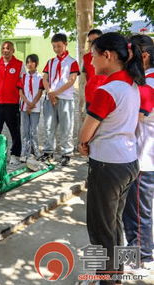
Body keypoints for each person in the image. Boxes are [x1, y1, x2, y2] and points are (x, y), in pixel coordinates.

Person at [78, 32, 145, 282]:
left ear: (107, 56)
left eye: (94, 56)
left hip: (107, 165)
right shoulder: (132, 84)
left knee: (100, 227)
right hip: (127, 162)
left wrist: (84, 142)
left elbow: (85, 132)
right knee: (114, 222)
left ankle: (107, 278)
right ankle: (116, 275)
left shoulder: (107, 90)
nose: (91, 61)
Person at [122, 40, 154, 270]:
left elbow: (132, 120)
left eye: (128, 53)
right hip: (144, 154)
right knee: (136, 210)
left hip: (143, 157)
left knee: (138, 211)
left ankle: (143, 256)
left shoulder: (147, 86)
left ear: (143, 56)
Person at [40, 33, 80, 166]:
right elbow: (45, 78)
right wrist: (49, 92)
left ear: (65, 44)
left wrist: (56, 92)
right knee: (49, 126)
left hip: (65, 99)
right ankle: (48, 151)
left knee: (66, 127)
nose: (56, 49)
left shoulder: (72, 62)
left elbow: (71, 80)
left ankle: (66, 153)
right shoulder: (51, 62)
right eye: (54, 46)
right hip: (50, 98)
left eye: (59, 46)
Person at [0, 41, 25, 165]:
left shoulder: (19, 64)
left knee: (15, 131)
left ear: (13, 50)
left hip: (12, 103)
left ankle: (15, 155)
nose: (6, 50)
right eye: (3, 48)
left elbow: (22, 82)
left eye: (8, 48)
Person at [18, 54, 44, 162]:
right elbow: (20, 92)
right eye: (28, 62)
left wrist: (32, 104)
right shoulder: (23, 77)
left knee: (34, 130)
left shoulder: (40, 77)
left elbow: (40, 92)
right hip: (24, 107)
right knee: (25, 130)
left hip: (35, 107)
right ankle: (25, 152)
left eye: (32, 62)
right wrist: (27, 103)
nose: (30, 64)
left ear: (36, 63)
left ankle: (36, 151)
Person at [82, 29, 106, 109]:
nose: (92, 44)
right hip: (90, 96)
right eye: (90, 41)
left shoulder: (108, 56)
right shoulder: (86, 58)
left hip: (105, 95)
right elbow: (85, 75)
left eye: (95, 40)